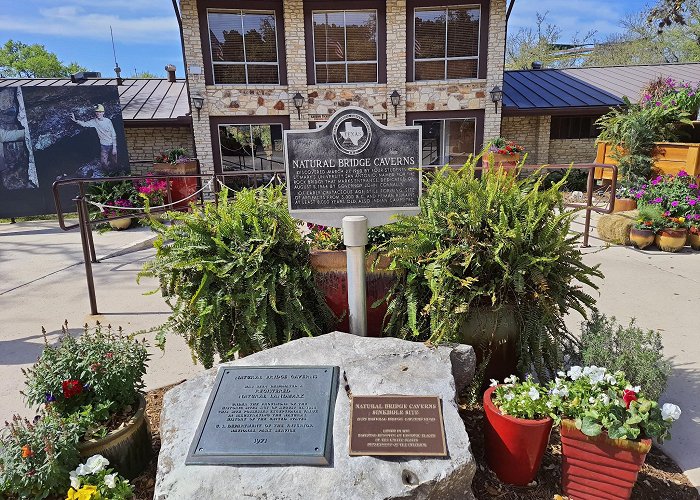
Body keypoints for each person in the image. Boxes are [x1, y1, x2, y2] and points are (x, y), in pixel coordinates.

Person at [70, 104, 117, 172]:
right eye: (97, 112)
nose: (98, 113)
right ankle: (107, 174)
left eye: (100, 112)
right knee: (104, 163)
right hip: (104, 146)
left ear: (103, 112)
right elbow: (85, 124)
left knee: (114, 161)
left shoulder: (108, 121)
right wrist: (75, 120)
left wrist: (114, 147)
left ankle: (116, 173)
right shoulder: (94, 121)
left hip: (112, 144)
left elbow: (113, 134)